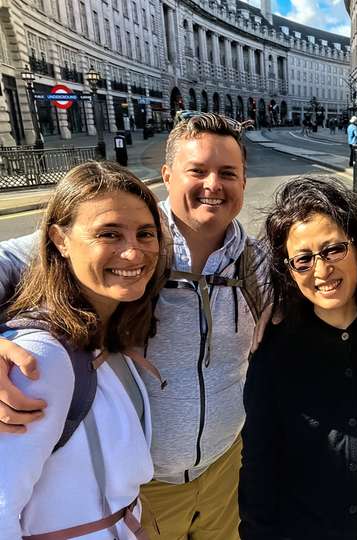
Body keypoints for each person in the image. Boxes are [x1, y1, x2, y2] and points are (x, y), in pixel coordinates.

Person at [0, 112, 271, 539]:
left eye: (228, 173)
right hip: (143, 488)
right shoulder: (130, 235)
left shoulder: (258, 263)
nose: (213, 185)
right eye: (197, 170)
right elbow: (9, 261)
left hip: (222, 467)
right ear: (167, 174)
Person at [0, 161, 170, 538]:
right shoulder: (40, 358)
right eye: (109, 234)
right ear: (60, 239)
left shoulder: (109, 334)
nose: (133, 253)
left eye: (145, 234)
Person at [239, 175, 357, 540]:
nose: (322, 270)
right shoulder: (274, 352)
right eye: (303, 259)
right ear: (289, 270)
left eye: (333, 250)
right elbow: (260, 465)